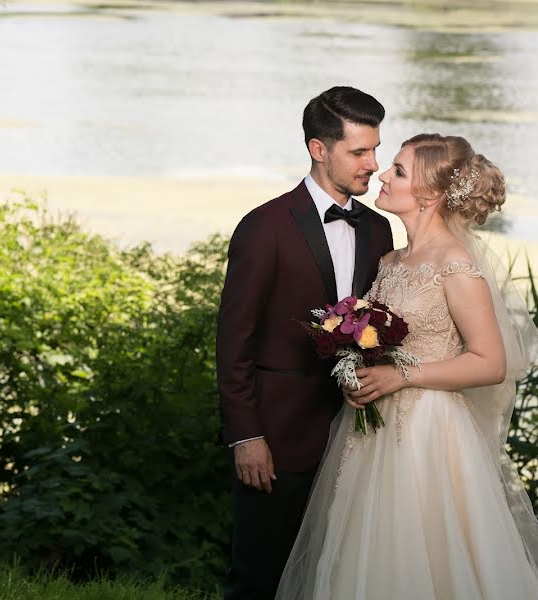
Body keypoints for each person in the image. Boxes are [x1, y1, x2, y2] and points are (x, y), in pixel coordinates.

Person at [275, 134, 538, 599]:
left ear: (429, 195)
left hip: (428, 436)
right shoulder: (391, 260)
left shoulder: (456, 265)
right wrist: (359, 373)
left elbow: (492, 363)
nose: (382, 176)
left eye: (399, 171)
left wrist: (402, 375)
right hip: (370, 432)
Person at [216, 86, 394, 600]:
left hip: (355, 435)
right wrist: (245, 435)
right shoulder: (263, 227)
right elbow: (234, 344)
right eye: (359, 152)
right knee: (258, 578)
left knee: (330, 577)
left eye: (376, 149)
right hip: (276, 436)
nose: (373, 164)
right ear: (319, 149)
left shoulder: (379, 230)